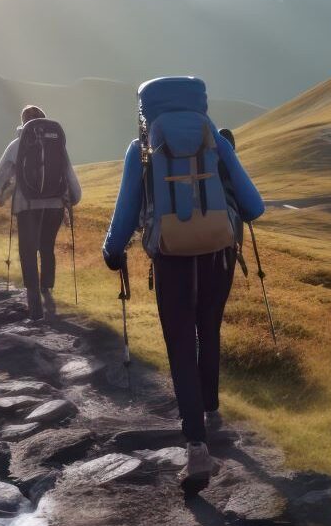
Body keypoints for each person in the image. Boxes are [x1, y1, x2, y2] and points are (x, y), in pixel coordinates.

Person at [102, 77, 264, 494]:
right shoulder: (217, 143)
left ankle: (196, 447)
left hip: (172, 260)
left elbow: (125, 213)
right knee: (207, 331)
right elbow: (254, 206)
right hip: (218, 256)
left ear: (146, 110)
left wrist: (112, 251)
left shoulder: (140, 149)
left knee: (179, 344)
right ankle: (213, 413)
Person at [0, 105, 81, 321]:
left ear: (24, 123)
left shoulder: (17, 144)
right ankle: (47, 289)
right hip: (55, 206)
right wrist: (73, 199)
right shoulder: (56, 142)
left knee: (28, 251)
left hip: (27, 205)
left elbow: (0, 177)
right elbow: (68, 173)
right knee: (46, 247)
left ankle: (33, 300)